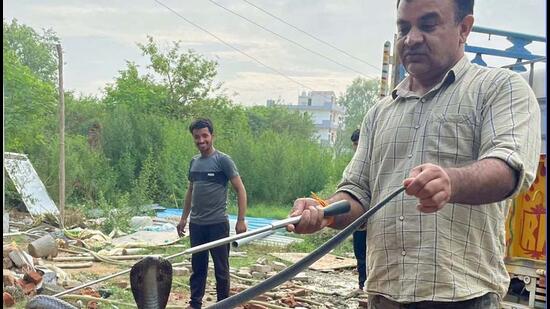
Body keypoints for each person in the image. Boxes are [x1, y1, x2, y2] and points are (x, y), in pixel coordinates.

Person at [287, 0, 541, 308]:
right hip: (385, 295)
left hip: (462, 297)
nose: (412, 38)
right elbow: (358, 193)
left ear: (464, 28)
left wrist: (451, 182)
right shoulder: (380, 113)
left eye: (428, 25)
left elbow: (510, 167)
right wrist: (323, 211)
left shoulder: (499, 89)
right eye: (403, 28)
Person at [177, 118, 248, 309]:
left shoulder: (223, 160)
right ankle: (195, 303)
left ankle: (223, 304)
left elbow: (240, 189)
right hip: (197, 225)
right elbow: (190, 190)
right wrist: (184, 218)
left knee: (221, 269)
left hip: (217, 224)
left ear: (212, 136)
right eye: (197, 137)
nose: (201, 140)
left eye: (204, 136)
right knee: (198, 268)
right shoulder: (194, 162)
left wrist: (241, 220)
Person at [350, 128, 367, 291]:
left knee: (371, 255)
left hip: (373, 218)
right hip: (359, 219)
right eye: (354, 144)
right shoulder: (354, 164)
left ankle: (369, 285)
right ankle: (362, 286)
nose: (356, 148)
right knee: (360, 253)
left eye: (358, 144)